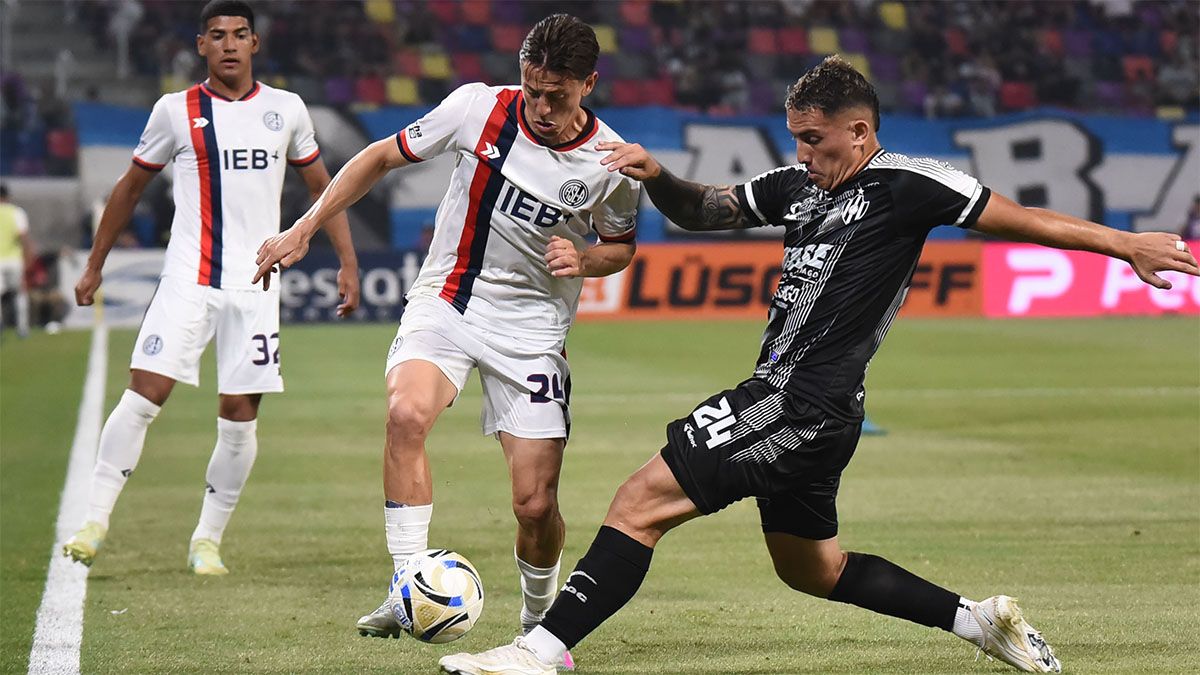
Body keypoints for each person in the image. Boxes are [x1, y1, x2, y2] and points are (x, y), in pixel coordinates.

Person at [439, 55, 1200, 675]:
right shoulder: (798, 187)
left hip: (797, 400)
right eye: (797, 138)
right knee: (812, 569)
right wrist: (655, 174)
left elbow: (1024, 219)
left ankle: (540, 650)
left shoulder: (909, 184)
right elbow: (706, 210)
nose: (804, 155)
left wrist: (1126, 243)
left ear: (859, 131)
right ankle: (981, 621)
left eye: (815, 140)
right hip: (816, 412)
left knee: (640, 498)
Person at [253, 14, 640, 664]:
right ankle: (406, 583)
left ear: (589, 84)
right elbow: (378, 157)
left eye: (558, 94)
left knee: (535, 503)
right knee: (406, 413)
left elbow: (621, 246)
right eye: (533, 88)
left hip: (533, 331)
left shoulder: (613, 161)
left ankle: (539, 624)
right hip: (449, 299)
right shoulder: (477, 109)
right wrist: (304, 227)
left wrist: (587, 259)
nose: (541, 107)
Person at [62, 0, 360, 576]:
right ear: (201, 45)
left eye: (239, 34)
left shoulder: (286, 109)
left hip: (255, 288)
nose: (229, 44)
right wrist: (94, 264)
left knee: (238, 417)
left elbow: (327, 190)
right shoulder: (175, 111)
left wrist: (347, 261)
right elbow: (128, 189)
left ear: (255, 44)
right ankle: (94, 521)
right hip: (186, 282)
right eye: (217, 35)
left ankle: (206, 540)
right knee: (142, 396)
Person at [0, 183, 33, 338]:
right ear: (7, 196)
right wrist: (28, 256)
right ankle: (23, 328)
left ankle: (1, 327)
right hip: (14, 259)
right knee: (20, 294)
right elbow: (23, 236)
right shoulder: (16, 212)